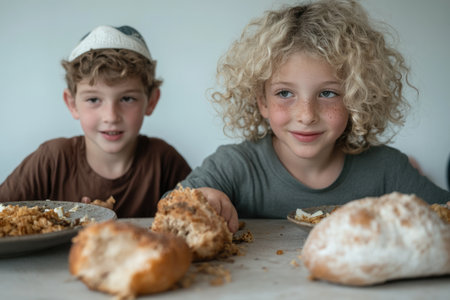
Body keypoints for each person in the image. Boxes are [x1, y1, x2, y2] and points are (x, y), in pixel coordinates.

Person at [177, 0, 450, 232]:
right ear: (262, 101)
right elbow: (172, 205)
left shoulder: (388, 170)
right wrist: (203, 199)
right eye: (285, 93)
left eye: (328, 93)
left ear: (356, 98)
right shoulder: (235, 165)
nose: (306, 115)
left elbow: (444, 216)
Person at [0, 25, 191, 217]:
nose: (111, 116)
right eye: (93, 100)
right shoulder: (51, 160)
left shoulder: (164, 161)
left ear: (151, 101)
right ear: (72, 103)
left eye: (127, 99)